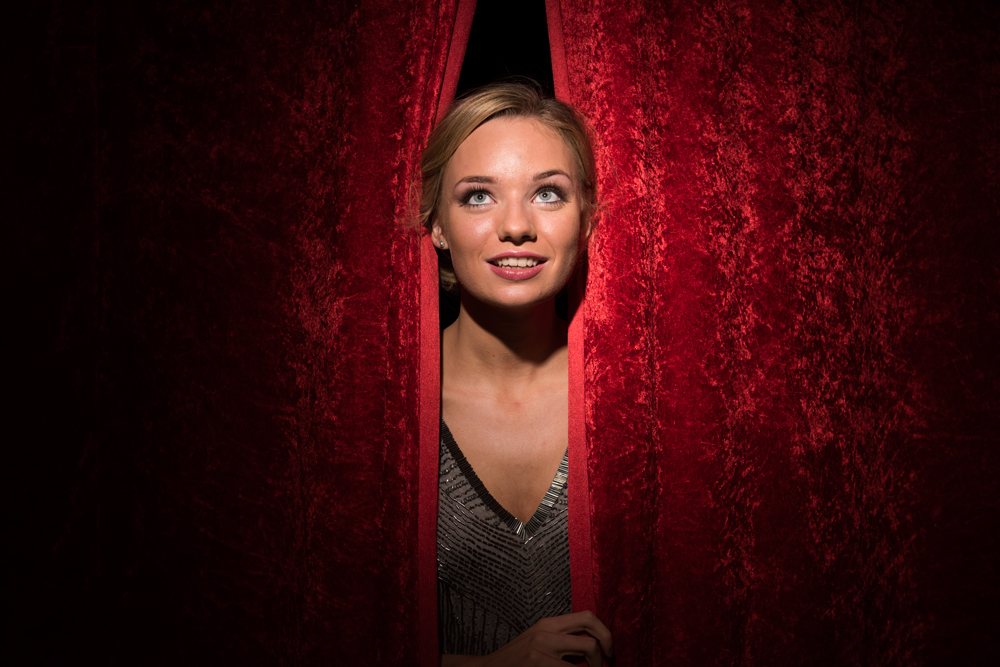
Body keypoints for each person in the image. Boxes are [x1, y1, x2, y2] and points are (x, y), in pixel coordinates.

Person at [418, 81, 615, 666]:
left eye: (548, 194)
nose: (516, 227)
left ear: (586, 219)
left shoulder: (629, 397)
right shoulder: (389, 406)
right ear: (437, 226)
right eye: (478, 196)